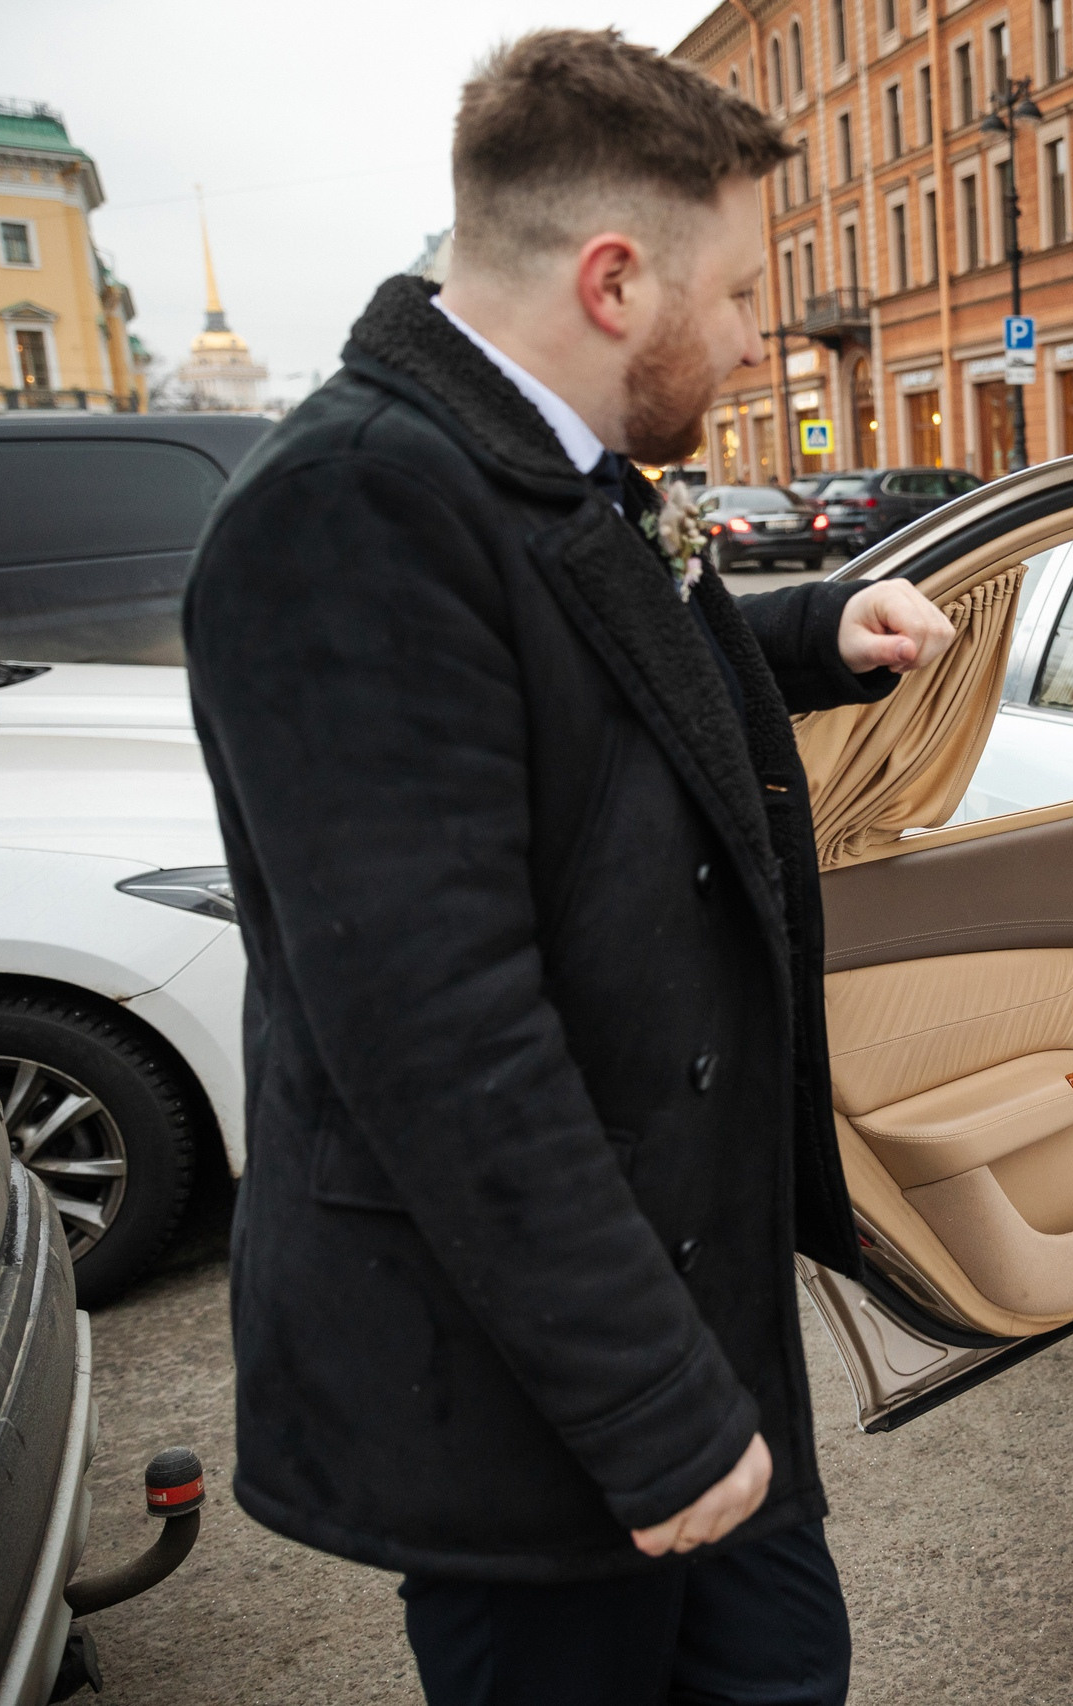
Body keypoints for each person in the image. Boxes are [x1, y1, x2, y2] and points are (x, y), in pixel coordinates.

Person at [184, 32, 953, 1706]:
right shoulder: (351, 511)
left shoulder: (546, 467)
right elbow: (440, 1037)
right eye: (740, 293)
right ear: (616, 280)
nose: (756, 338)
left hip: (687, 1296)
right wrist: (653, 1418)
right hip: (536, 1389)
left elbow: (590, 677)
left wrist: (818, 627)